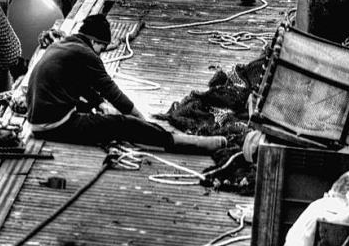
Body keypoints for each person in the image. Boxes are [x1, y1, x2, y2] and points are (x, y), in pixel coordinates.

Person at [26, 13, 225, 151]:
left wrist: (98, 103)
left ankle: (160, 134)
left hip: (37, 120)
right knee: (120, 124)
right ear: (94, 42)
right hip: (55, 125)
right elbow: (114, 94)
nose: (101, 53)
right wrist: (140, 120)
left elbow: (82, 85)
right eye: (102, 48)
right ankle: (176, 141)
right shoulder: (87, 55)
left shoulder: (64, 45)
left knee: (100, 114)